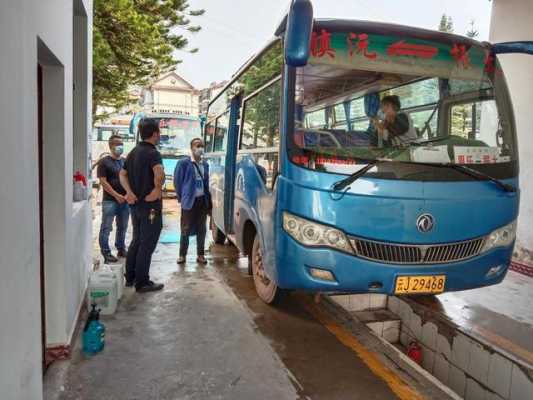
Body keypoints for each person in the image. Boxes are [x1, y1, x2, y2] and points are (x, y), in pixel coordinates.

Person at [119, 119, 165, 293]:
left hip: (135, 205)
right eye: (159, 132)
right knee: (147, 243)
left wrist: (129, 192)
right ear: (154, 134)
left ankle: (130, 277)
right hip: (150, 206)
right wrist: (157, 189)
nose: (159, 135)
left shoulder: (133, 152)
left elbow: (122, 174)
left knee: (137, 240)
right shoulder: (153, 153)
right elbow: (159, 173)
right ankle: (142, 282)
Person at [173, 138, 211, 265]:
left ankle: (200, 255)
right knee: (185, 229)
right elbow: (177, 182)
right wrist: (181, 198)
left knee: (202, 229)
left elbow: (206, 184)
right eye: (198, 145)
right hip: (189, 201)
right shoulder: (184, 163)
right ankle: (182, 255)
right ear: (192, 148)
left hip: (202, 201)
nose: (200, 148)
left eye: (202, 146)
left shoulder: (205, 164)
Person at [97, 135, 129, 264]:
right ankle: (106, 252)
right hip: (110, 200)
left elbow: (129, 179)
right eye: (117, 144)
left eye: (121, 143)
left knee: (123, 226)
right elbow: (103, 182)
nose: (120, 146)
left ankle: (121, 248)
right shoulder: (104, 162)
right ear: (110, 146)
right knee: (106, 227)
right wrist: (116, 195)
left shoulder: (125, 162)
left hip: (125, 201)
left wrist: (127, 195)